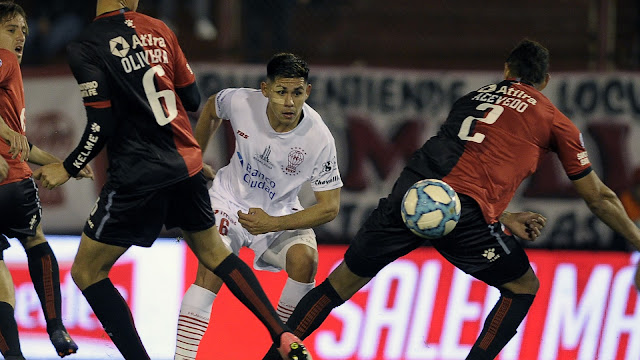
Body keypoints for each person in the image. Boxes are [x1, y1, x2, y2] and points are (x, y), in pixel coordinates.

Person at [260, 39, 640, 360]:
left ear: (507, 70)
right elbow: (599, 198)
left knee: (337, 286)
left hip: (410, 198)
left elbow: (455, 168)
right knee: (523, 287)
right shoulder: (555, 120)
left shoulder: (471, 98)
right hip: (465, 217)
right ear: (545, 81)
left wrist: (503, 216)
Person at [33, 1, 311, 359]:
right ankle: (283, 334)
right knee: (214, 253)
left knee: (88, 270)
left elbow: (101, 122)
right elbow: (192, 98)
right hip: (186, 164)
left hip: (138, 174)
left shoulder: (86, 44)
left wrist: (68, 167)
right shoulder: (160, 29)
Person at [173, 52, 342, 359]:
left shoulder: (319, 138)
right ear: (265, 90)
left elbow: (330, 207)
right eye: (281, 92)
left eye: (297, 93)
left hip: (278, 214)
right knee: (212, 267)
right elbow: (211, 107)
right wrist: (194, 158)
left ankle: (276, 355)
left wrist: (273, 224)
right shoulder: (241, 102)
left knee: (305, 262)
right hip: (229, 202)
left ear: (308, 92)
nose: (289, 102)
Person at [0, 2, 92, 358]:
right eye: (11, 29)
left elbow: (28, 146)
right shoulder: (4, 60)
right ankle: (56, 327)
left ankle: (13, 355)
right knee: (35, 240)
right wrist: (8, 137)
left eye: (23, 30)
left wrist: (64, 164)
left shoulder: (10, 76)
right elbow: (15, 142)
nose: (21, 36)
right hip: (12, 185)